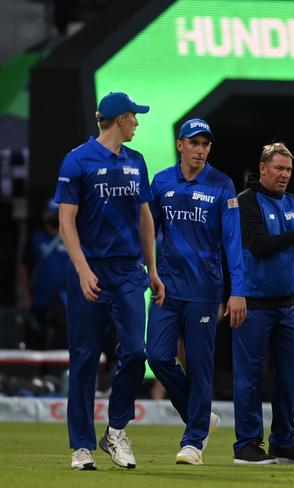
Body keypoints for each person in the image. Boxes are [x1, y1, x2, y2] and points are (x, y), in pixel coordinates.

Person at [55, 92, 164, 471]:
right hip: (90, 270)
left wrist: (152, 269)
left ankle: (115, 430)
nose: (137, 123)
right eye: (134, 117)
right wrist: (83, 270)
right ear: (120, 120)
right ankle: (81, 446)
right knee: (84, 358)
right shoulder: (77, 160)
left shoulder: (137, 162)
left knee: (136, 351)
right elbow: (66, 221)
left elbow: (145, 217)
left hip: (129, 272)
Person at [146, 118, 247, 465]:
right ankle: (199, 414)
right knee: (157, 356)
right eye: (194, 143)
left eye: (205, 144)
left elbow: (233, 242)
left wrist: (238, 291)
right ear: (180, 145)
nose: (200, 150)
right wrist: (144, 270)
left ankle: (194, 441)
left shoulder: (222, 185)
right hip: (166, 289)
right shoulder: (161, 182)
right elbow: (147, 230)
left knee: (200, 366)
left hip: (205, 290)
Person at [232, 142, 294, 465]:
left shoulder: (292, 202)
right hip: (254, 304)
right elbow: (258, 246)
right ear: (263, 169)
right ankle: (246, 444)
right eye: (279, 168)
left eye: (288, 170)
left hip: (286, 304)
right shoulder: (247, 202)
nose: (285, 175)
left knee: (289, 376)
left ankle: (283, 442)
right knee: (249, 377)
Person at [18, 198, 69, 350]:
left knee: (62, 340)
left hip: (64, 302)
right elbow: (23, 267)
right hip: (39, 300)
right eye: (52, 214)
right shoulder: (35, 239)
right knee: (36, 339)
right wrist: (26, 295)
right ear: (45, 216)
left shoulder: (69, 238)